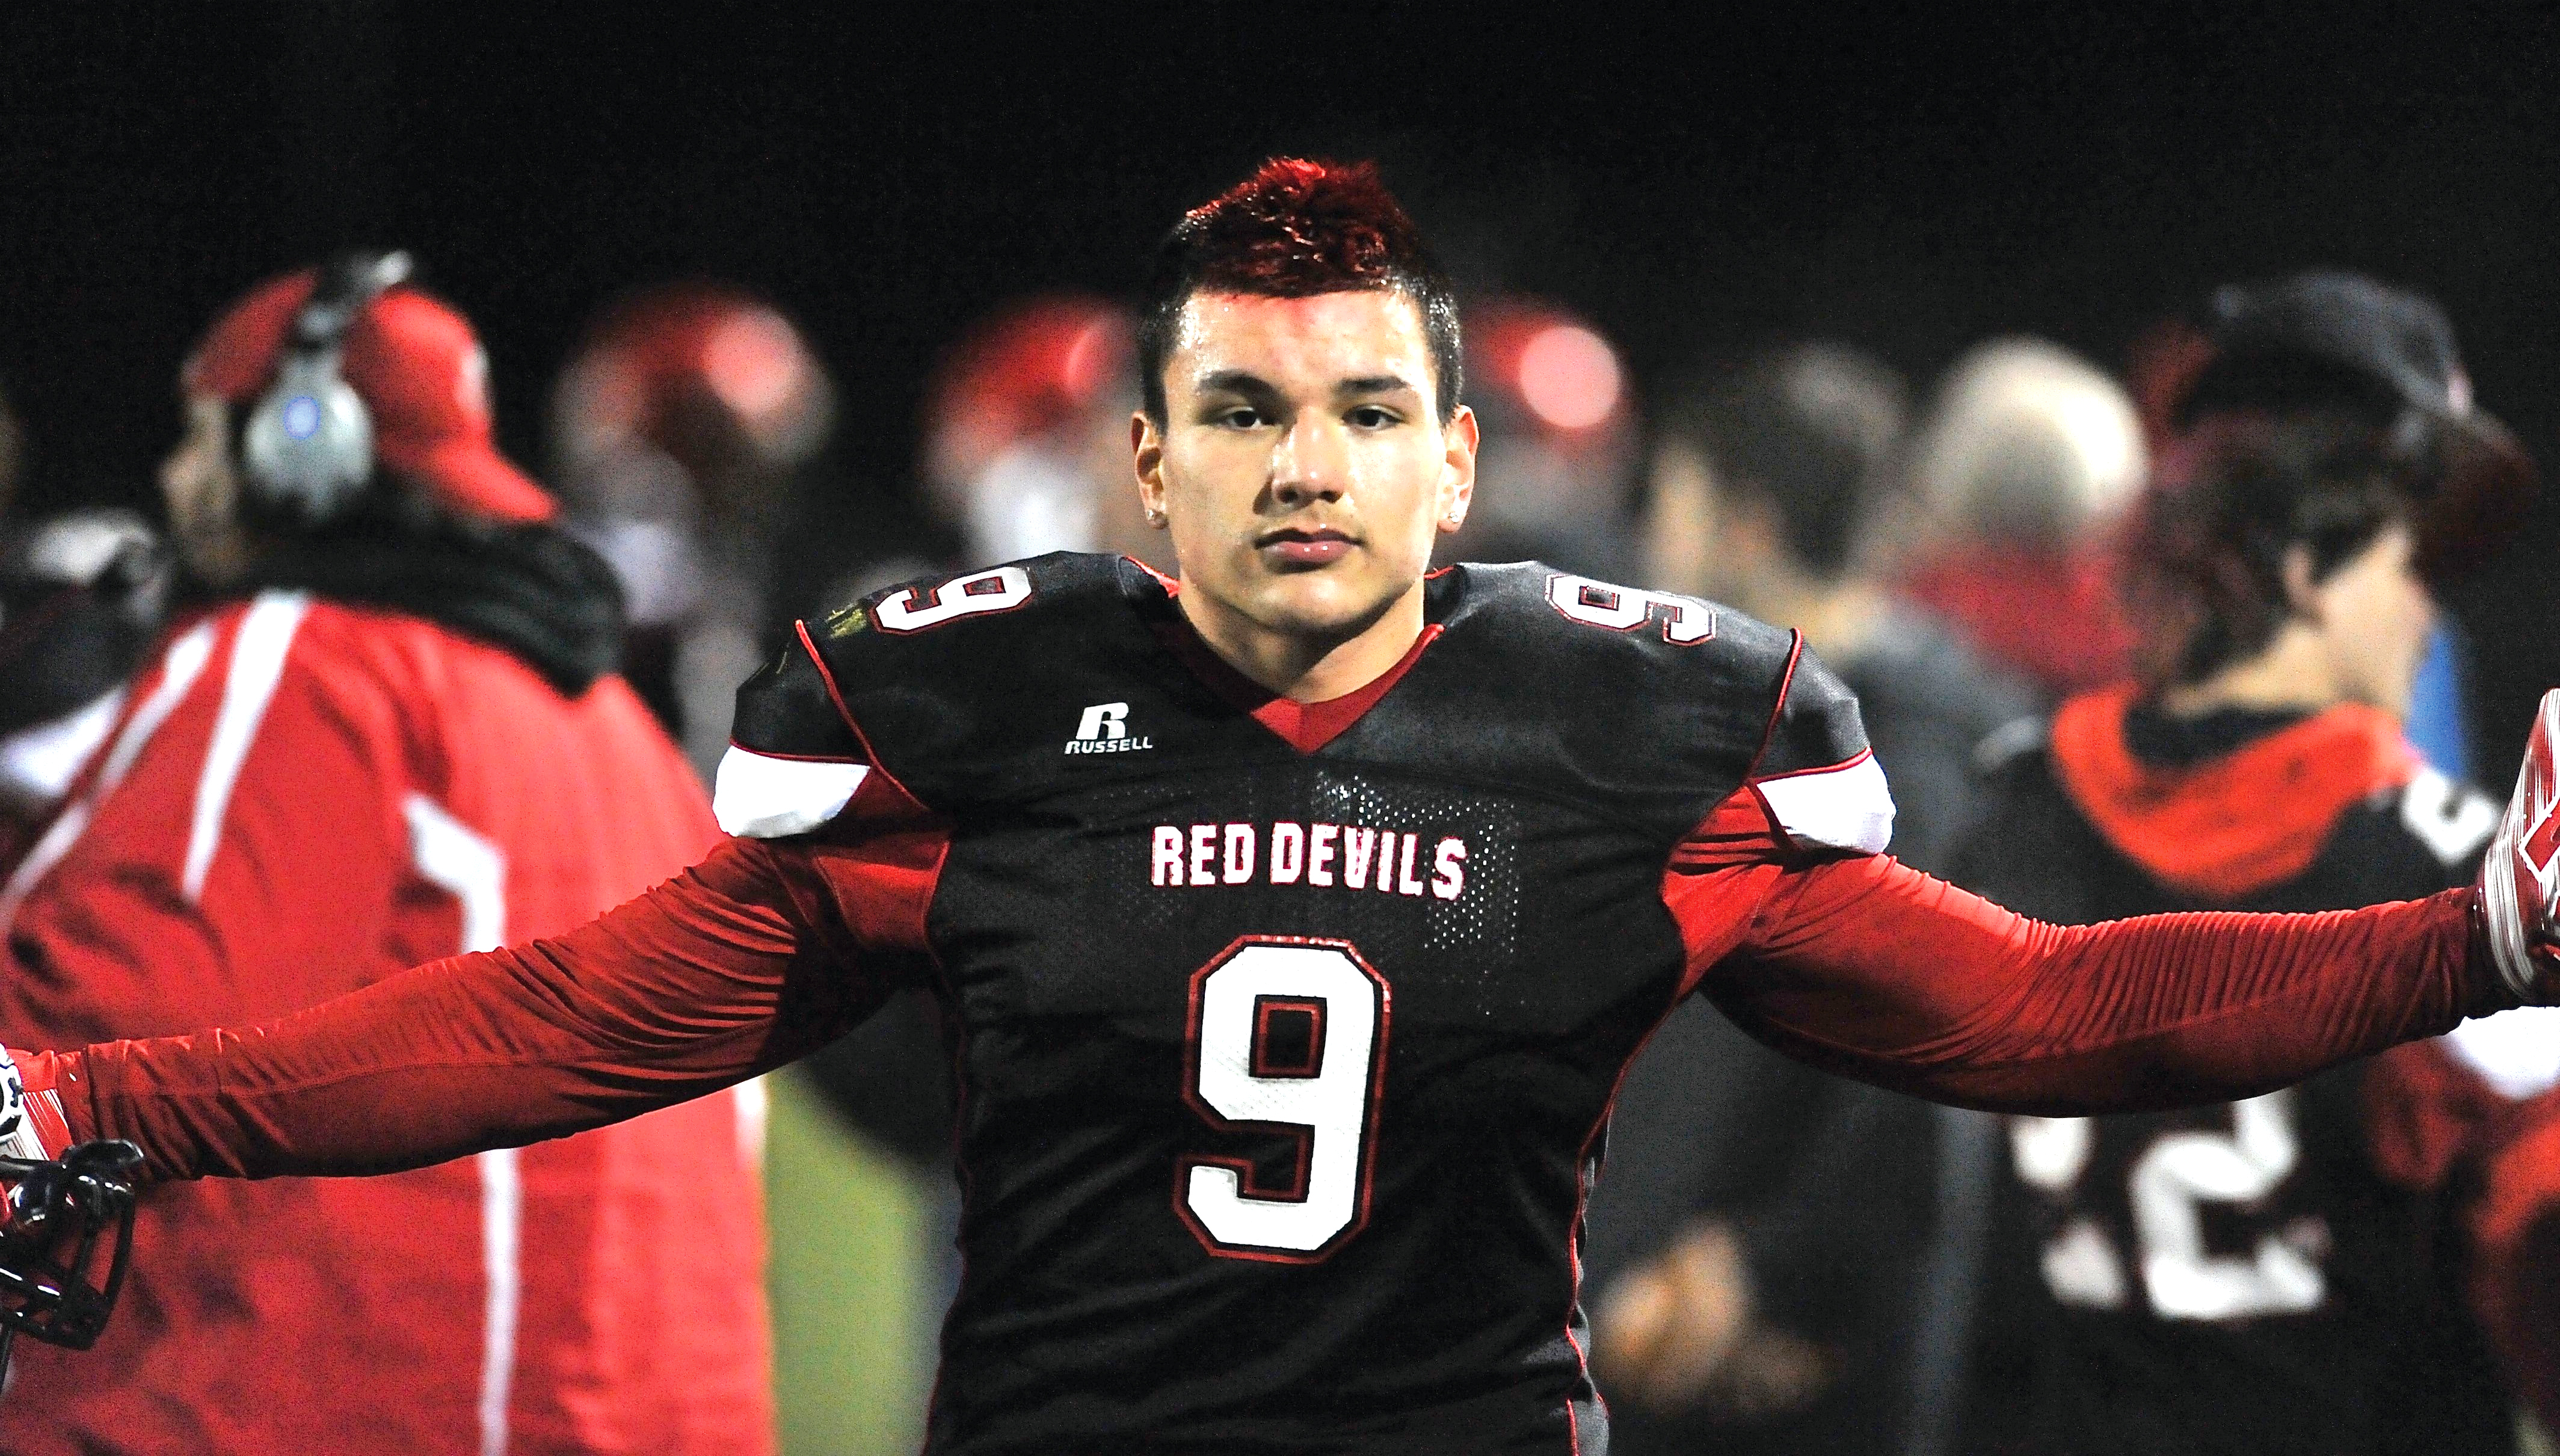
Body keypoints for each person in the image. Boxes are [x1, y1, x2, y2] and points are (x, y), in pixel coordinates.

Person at [1, 163, 2553, 1456]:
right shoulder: (973, 716)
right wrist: (112, 1100)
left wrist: (2470, 936)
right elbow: (568, 1018)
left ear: (1455, 466)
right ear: (1141, 461)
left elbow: (2036, 1004)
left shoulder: (1625, 731)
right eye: (1236, 409)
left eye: (1356, 411)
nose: (1297, 465)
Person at [0, 255, 773, 1454]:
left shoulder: (308, 658)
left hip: (408, 1402)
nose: (175, 476)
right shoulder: (625, 735)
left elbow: (78, 1034)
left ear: (297, 445)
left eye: (203, 434)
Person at [1942, 273, 2541, 1456]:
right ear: (2304, 570)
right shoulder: (2459, 873)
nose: (2428, 615)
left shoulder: (2004, 807)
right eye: (2409, 565)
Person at [1589, 342, 2034, 1454]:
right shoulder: (1742, 715)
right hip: (1667, 1307)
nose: (1655, 546)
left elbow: (1921, 1068)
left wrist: (1775, 1275)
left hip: (1786, 1356)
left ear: (1746, 523)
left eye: (1676, 506)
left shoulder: (1906, 758)